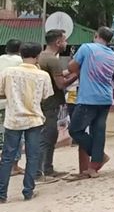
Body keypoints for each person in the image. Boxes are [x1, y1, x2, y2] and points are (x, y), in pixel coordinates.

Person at [0, 42, 54, 202]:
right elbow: (46, 95)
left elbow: (1, 92)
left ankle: (2, 194)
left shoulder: (8, 72)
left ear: (21, 55)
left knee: (7, 156)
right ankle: (28, 191)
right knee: (33, 155)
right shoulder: (42, 75)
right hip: (34, 119)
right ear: (37, 56)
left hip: (13, 119)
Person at [67, 27, 114, 179]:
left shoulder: (87, 48)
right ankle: (94, 165)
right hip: (106, 97)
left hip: (89, 97)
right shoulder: (112, 54)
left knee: (75, 130)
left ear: (96, 35)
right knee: (99, 131)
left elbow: (71, 67)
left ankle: (99, 156)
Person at [37, 29, 75, 183]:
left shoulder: (42, 57)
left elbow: (57, 76)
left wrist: (69, 71)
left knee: (50, 136)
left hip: (44, 103)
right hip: (50, 103)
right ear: (58, 42)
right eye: (64, 40)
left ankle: (48, 168)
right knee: (47, 136)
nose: (66, 43)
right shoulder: (52, 60)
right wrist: (76, 75)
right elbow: (60, 84)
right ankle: (40, 172)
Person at [0, 39, 24, 176]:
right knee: (15, 134)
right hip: (13, 103)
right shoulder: (21, 62)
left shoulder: (0, 59)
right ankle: (14, 165)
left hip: (1, 100)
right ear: (20, 49)